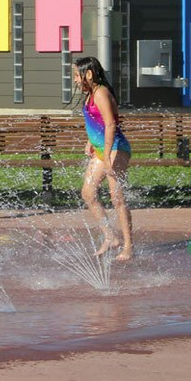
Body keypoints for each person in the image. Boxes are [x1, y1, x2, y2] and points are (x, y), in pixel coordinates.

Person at [73, 56, 133, 261]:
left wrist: (107, 156)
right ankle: (110, 237)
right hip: (101, 148)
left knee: (117, 198)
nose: (74, 80)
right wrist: (90, 141)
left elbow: (110, 124)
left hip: (116, 149)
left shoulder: (101, 93)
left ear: (88, 74)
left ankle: (128, 246)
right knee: (88, 193)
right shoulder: (91, 94)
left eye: (76, 75)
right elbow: (95, 121)